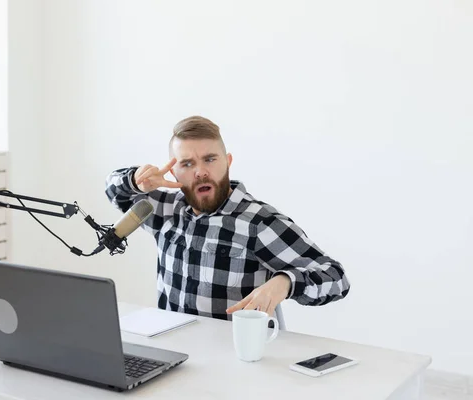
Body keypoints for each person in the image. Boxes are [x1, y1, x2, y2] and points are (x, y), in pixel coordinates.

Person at [105, 116, 350, 321]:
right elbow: (114, 191)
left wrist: (286, 282)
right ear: (173, 172)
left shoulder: (258, 223)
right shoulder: (164, 210)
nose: (200, 171)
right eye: (187, 163)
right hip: (174, 354)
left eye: (210, 159)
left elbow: (336, 279)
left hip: (233, 364)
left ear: (228, 161)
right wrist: (135, 179)